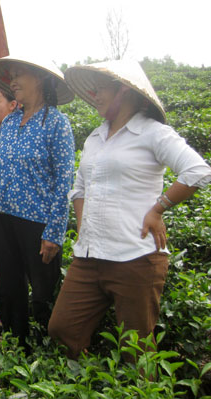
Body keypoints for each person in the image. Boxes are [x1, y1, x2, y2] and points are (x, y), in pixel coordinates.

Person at [48, 60, 211, 360]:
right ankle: (92, 390)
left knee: (136, 350)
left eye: (100, 90)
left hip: (135, 257)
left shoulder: (152, 133)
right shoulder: (95, 137)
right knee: (62, 329)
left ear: (123, 90)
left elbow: (198, 170)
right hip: (89, 258)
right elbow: (79, 187)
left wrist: (158, 209)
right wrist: (83, 228)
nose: (94, 96)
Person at [0, 55, 76, 353]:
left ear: (40, 79)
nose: (13, 80)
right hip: (4, 219)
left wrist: (54, 232)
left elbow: (64, 182)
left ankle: (49, 354)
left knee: (42, 294)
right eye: (11, 75)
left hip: (37, 223)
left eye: (19, 74)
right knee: (7, 290)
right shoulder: (8, 123)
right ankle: (17, 348)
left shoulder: (57, 124)